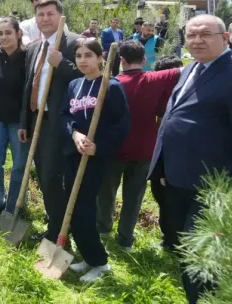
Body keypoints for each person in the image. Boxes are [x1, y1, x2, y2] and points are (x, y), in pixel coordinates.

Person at [150, 15, 232, 303]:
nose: (197, 40)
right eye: (191, 35)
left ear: (225, 37)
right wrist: (164, 165)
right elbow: (174, 116)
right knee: (183, 247)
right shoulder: (191, 68)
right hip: (178, 179)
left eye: (205, 34)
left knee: (200, 256)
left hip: (215, 186)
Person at [96, 40, 181, 252]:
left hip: (115, 149)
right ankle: (125, 240)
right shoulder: (154, 79)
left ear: (121, 60)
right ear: (144, 60)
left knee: (106, 193)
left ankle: (103, 229)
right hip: (144, 151)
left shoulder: (110, 83)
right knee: (134, 198)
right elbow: (181, 70)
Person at [59, 38, 130, 283]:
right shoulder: (74, 85)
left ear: (100, 57)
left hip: (95, 159)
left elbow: (122, 125)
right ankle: (89, 257)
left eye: (88, 55)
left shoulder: (111, 86)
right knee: (72, 207)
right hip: (73, 154)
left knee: (84, 210)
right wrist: (75, 133)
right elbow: (65, 116)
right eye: (78, 56)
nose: (82, 60)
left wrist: (98, 146)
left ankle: (100, 262)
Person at [18, 0, 82, 243]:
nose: (45, 19)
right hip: (38, 120)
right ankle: (55, 222)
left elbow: (90, 77)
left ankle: (61, 229)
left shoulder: (74, 43)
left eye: (50, 14)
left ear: (60, 16)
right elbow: (28, 86)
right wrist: (25, 121)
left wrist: (63, 64)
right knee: (45, 174)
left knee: (56, 176)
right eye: (40, 15)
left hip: (62, 121)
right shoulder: (34, 47)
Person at [0, 17, 29, 214]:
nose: (4, 37)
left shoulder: (28, 57)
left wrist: (26, 122)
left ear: (19, 34)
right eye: (0, 33)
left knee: (19, 166)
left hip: (20, 121)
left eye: (8, 32)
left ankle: (14, 207)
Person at [147, 55, 183, 252]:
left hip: (184, 158)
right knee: (162, 197)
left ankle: (177, 240)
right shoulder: (159, 98)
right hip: (160, 155)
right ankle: (169, 239)